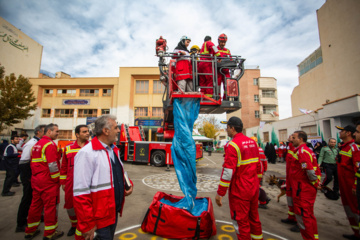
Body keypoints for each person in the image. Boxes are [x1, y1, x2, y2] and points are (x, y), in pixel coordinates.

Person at [73, 115, 133, 240]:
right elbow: (80, 192)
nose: (118, 131)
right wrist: (87, 223)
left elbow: (117, 172)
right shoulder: (86, 154)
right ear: (105, 131)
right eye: (116, 128)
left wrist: (127, 185)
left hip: (111, 213)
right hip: (98, 219)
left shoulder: (113, 149)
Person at [215, 117, 263, 240]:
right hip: (253, 188)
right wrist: (257, 184)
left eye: (228, 127)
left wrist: (220, 193)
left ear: (233, 128)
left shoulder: (233, 145)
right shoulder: (253, 143)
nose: (226, 130)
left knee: (241, 223)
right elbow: (259, 165)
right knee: (254, 219)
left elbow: (228, 172)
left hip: (240, 191)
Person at [25, 123, 64, 240]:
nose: (58, 133)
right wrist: (57, 180)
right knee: (50, 207)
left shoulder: (36, 145)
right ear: (49, 132)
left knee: (35, 206)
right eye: (56, 131)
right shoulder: (50, 145)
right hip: (48, 182)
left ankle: (30, 231)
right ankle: (50, 233)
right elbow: (53, 165)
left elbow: (32, 162)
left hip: (37, 180)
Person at [60, 125, 89, 237]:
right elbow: (64, 166)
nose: (87, 133)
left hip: (86, 182)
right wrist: (63, 182)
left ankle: (86, 226)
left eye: (88, 131)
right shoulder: (68, 148)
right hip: (71, 182)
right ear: (77, 134)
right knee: (70, 205)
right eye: (84, 132)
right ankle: (74, 225)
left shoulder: (91, 147)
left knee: (85, 206)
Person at [291, 131, 321, 240]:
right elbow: (316, 168)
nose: (292, 139)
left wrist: (315, 183)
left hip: (303, 189)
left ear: (300, 139)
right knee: (309, 216)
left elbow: (309, 170)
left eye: (294, 138)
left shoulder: (302, 152)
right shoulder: (306, 151)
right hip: (304, 188)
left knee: (304, 218)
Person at [16, 125, 46, 232]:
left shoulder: (41, 143)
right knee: (27, 198)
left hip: (37, 176)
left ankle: (36, 216)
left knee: (37, 199)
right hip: (29, 176)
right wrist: (28, 177)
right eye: (44, 131)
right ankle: (21, 223)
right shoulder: (32, 144)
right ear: (38, 132)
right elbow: (24, 161)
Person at [336, 125, 360, 240]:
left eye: (342, 131)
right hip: (344, 185)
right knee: (349, 209)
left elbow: (358, 169)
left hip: (351, 186)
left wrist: (355, 185)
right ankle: (356, 233)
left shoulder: (354, 148)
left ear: (348, 133)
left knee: (355, 209)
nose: (340, 133)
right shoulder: (343, 147)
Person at [281, 134, 298, 227]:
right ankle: (291, 217)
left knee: (297, 202)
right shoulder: (291, 148)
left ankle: (299, 222)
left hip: (296, 180)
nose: (289, 137)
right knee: (290, 199)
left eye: (293, 137)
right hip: (290, 178)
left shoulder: (300, 151)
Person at [217, 33, 231, 99]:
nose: (223, 44)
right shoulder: (215, 49)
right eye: (222, 42)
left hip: (226, 71)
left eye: (224, 42)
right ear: (218, 41)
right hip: (218, 71)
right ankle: (218, 98)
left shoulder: (227, 51)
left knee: (228, 85)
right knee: (217, 85)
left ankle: (226, 98)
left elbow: (230, 59)